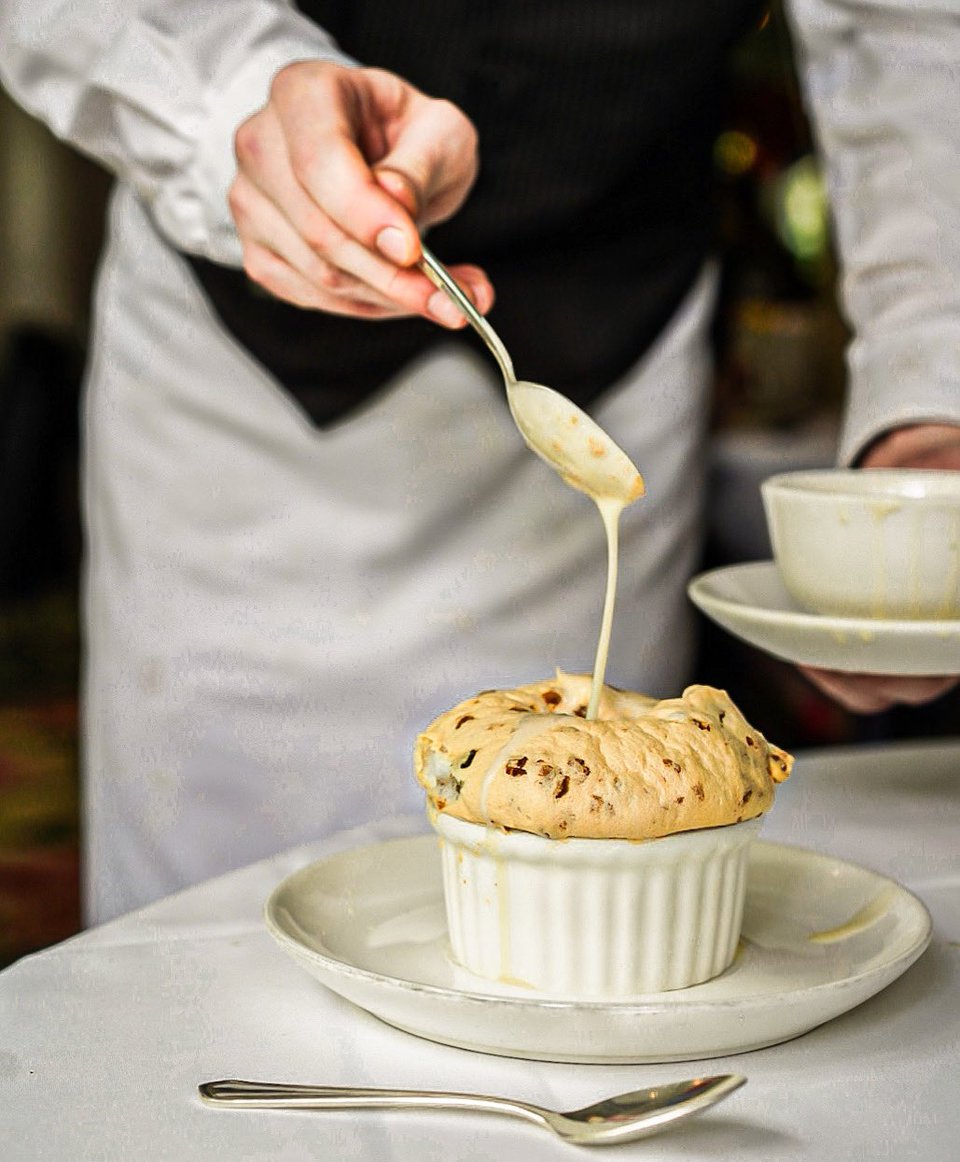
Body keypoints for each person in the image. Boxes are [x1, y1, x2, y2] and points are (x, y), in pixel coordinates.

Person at [0, 1, 957, 924]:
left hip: (613, 348)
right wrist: (228, 100)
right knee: (209, 939)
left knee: (591, 921)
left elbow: (911, 32)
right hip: (241, 397)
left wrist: (933, 386)